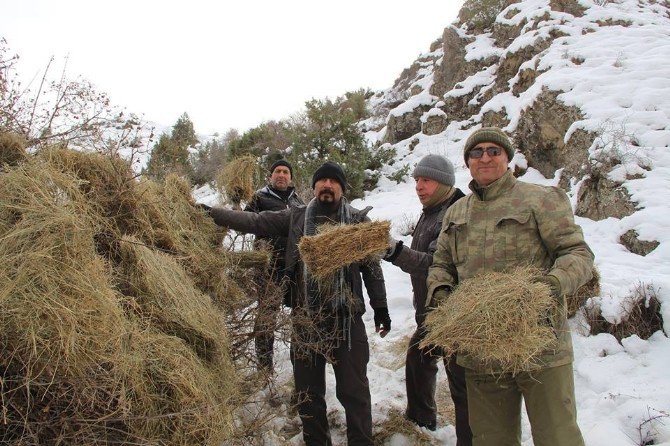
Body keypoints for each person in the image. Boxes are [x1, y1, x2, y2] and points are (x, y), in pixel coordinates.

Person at [426, 127, 594, 446]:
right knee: (491, 440)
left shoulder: (540, 199)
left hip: (540, 347)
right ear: (468, 162)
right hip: (482, 351)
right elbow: (441, 266)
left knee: (557, 437)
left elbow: (577, 252)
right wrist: (442, 297)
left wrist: (552, 284)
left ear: (507, 158)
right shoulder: (456, 213)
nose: (485, 157)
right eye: (477, 152)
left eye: (494, 151)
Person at [205, 160, 391, 446]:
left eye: (334, 181)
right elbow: (256, 222)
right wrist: (214, 214)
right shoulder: (296, 217)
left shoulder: (356, 222)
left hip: (346, 321)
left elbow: (373, 269)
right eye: (322, 181)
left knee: (354, 391)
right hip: (306, 320)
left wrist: (381, 308)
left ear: (342, 188)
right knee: (308, 392)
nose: (327, 185)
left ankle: (361, 441)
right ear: (314, 186)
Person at [383, 154, 472, 444]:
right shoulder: (433, 208)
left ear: (444, 183)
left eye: (427, 181)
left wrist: (397, 253)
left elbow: (436, 263)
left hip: (453, 313)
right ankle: (421, 419)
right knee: (419, 357)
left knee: (462, 383)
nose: (419, 187)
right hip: (430, 311)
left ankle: (469, 439)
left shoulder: (455, 213)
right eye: (417, 180)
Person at [245, 159, 304, 374]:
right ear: (271, 176)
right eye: (277, 171)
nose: (281, 175)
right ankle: (264, 366)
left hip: (294, 266)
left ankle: (302, 362)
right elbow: (244, 221)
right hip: (268, 266)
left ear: (290, 177)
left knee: (300, 311)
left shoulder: (298, 201)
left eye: (285, 172)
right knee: (267, 315)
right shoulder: (259, 198)